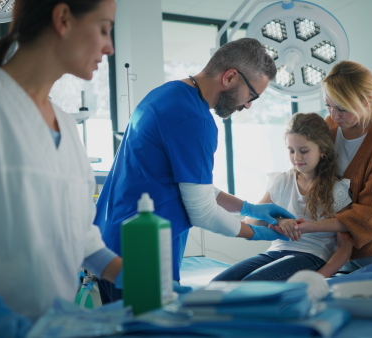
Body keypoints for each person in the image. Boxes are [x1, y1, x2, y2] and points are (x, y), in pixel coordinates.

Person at [0, 1, 124, 337]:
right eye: (104, 28)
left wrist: (139, 280)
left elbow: (82, 238)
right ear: (63, 19)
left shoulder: (67, 127)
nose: (109, 46)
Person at [95, 37, 294, 302]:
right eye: (252, 96)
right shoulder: (196, 120)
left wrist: (247, 208)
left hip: (111, 242)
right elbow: (202, 211)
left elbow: (187, 182)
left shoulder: (167, 93)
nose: (248, 105)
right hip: (143, 253)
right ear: (231, 77)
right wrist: (254, 232)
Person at [277, 60, 372, 271]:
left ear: (367, 100)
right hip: (342, 247)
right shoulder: (331, 126)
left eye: (342, 108)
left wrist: (311, 227)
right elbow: (313, 175)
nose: (334, 115)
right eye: (329, 106)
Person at [212, 112, 353, 281]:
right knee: (218, 285)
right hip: (275, 251)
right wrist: (277, 221)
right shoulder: (281, 182)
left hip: (311, 256)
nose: (297, 157)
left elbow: (345, 248)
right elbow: (250, 222)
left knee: (250, 284)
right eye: (291, 151)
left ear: (322, 149)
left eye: (304, 151)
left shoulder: (336, 190)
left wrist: (318, 278)